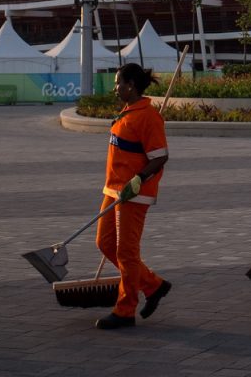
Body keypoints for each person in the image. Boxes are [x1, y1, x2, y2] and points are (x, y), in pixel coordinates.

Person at [94, 63, 173, 330]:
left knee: (126, 252)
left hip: (134, 195)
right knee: (105, 243)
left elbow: (160, 156)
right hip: (113, 189)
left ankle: (125, 310)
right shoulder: (128, 112)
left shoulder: (148, 117)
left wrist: (138, 180)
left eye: (118, 83)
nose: (115, 88)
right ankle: (153, 285)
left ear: (131, 85)